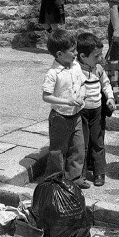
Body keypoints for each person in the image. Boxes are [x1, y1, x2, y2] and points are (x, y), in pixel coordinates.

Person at [42, 29, 90, 189]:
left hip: (75, 116)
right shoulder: (53, 73)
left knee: (78, 148)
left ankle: (74, 178)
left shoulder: (75, 65)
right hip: (60, 117)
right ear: (59, 54)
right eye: (72, 51)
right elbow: (46, 96)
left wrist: (82, 96)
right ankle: (54, 181)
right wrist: (66, 101)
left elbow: (82, 82)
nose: (76, 53)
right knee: (58, 151)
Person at [76, 32, 116, 187]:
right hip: (82, 112)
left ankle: (99, 173)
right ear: (83, 56)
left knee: (98, 142)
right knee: (83, 143)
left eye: (101, 55)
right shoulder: (76, 70)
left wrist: (110, 98)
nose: (100, 59)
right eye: (96, 56)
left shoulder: (98, 69)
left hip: (97, 112)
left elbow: (106, 84)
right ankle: (82, 173)